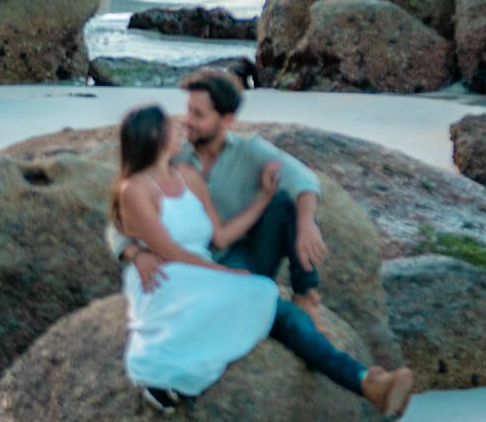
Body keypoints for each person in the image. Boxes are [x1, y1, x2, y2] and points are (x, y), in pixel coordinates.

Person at [112, 103, 413, 418]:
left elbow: (221, 237)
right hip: (168, 276)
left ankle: (367, 382)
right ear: (154, 136)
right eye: (171, 126)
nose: (181, 129)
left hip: (202, 270)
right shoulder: (134, 189)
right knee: (265, 297)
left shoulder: (188, 175)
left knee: (279, 309)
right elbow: (169, 251)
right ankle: (366, 382)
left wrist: (264, 199)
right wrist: (215, 272)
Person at [109, 70, 327, 318]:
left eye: (198, 114)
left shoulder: (250, 151)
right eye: (188, 109)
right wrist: (136, 254)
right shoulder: (172, 157)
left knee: (285, 204)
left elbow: (303, 179)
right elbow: (120, 221)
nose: (187, 120)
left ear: (226, 120)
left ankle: (306, 297)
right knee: (275, 315)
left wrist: (306, 222)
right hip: (188, 264)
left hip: (241, 253)